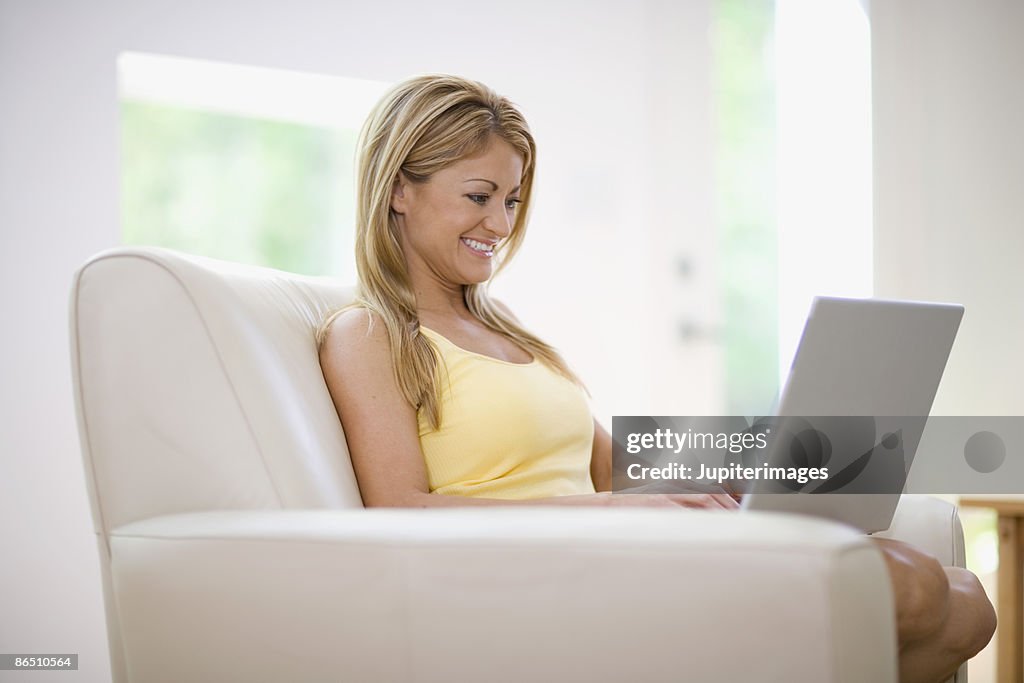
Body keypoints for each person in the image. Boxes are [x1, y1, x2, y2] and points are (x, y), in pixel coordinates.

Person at [317, 74, 995, 683]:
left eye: (514, 199)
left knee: (967, 603)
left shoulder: (505, 330)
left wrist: (743, 466)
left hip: (618, 545)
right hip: (538, 572)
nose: (500, 224)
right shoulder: (370, 333)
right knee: (911, 590)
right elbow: (398, 509)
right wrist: (613, 512)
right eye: (479, 195)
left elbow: (610, 463)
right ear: (399, 189)